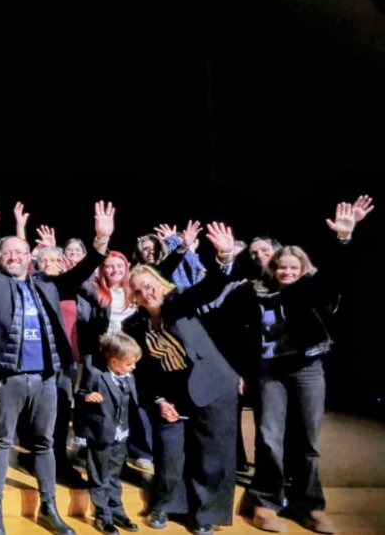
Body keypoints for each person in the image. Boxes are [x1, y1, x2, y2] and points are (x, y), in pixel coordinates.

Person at [0, 198, 115, 535]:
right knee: (1, 442)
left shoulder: (49, 284)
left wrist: (101, 241)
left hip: (47, 379)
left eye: (21, 251)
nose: (14, 256)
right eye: (7, 251)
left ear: (30, 258)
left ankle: (49, 508)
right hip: (8, 379)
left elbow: (82, 270)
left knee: (45, 444)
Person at [236, 197, 373, 535]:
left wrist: (343, 238)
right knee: (269, 438)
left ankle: (308, 505)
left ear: (301, 269)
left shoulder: (309, 291)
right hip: (269, 371)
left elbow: (340, 274)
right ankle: (266, 502)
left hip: (306, 368)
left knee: (307, 441)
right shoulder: (254, 291)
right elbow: (240, 335)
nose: (285, 271)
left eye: (292, 268)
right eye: (280, 267)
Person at [122, 222, 239, 535]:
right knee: (170, 452)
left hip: (213, 386)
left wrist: (225, 256)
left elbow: (212, 285)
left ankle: (204, 514)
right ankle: (165, 505)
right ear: (132, 297)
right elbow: (143, 374)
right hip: (172, 393)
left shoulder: (180, 301)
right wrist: (159, 401)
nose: (146, 292)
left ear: (161, 283)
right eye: (138, 290)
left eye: (150, 285)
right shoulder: (133, 327)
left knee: (211, 455)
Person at [75, 332, 143, 535]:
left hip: (121, 435)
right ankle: (102, 515)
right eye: (129, 364)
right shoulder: (97, 375)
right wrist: (88, 396)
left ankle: (117, 511)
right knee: (99, 476)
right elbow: (79, 394)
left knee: (114, 476)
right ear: (113, 361)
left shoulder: (128, 377)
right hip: (101, 434)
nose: (133, 368)